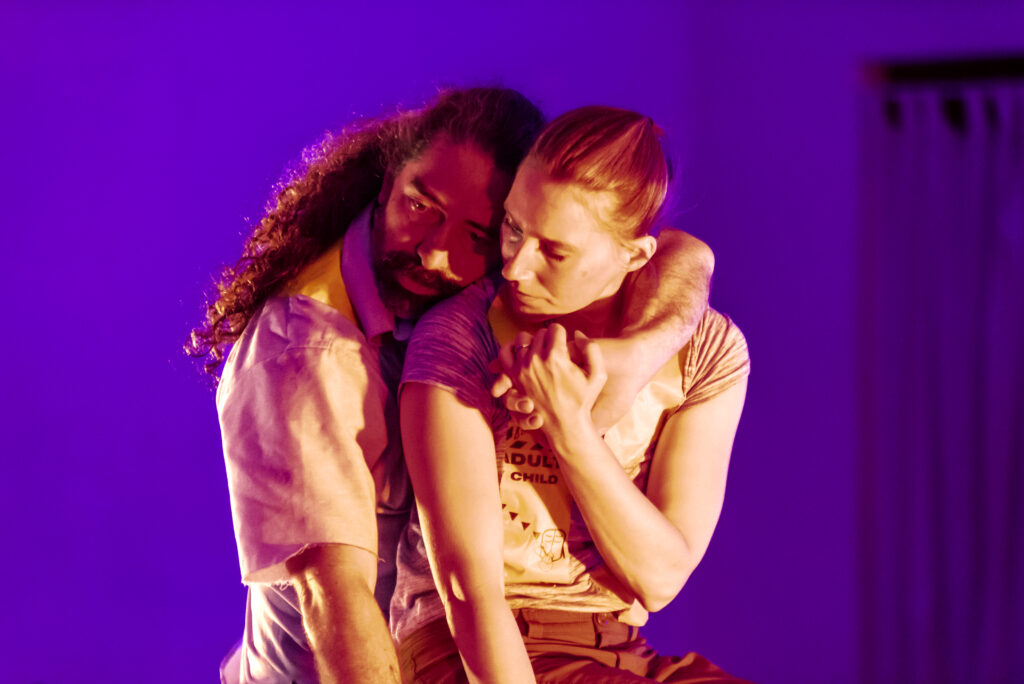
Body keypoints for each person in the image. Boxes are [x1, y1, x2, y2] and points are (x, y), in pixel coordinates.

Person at [187, 88, 716, 684]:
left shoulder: (478, 287)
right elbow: (335, 596)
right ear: (386, 181)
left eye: (477, 234)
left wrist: (635, 356)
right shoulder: (306, 353)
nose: (435, 253)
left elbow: (683, 255)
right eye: (421, 206)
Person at [394, 106, 751, 683]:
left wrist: (572, 429)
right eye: (512, 228)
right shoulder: (462, 335)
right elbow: (468, 592)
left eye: (555, 252)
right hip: (468, 649)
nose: (515, 267)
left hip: (619, 644)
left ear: (635, 256)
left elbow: (659, 579)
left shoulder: (706, 353)